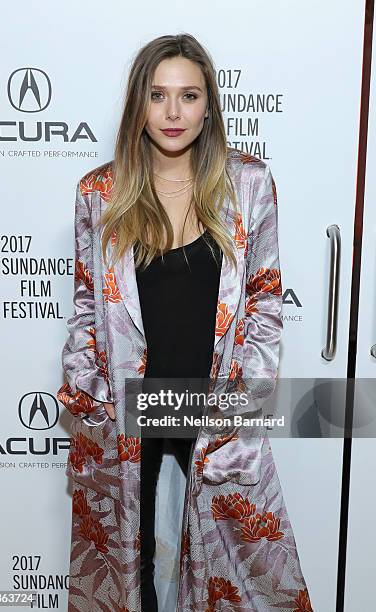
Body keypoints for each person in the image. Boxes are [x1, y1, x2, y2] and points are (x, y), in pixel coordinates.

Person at [58, 33, 313, 612]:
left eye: (189, 95)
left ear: (209, 104)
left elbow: (265, 305)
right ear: (137, 104)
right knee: (126, 567)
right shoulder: (99, 193)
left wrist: (241, 405)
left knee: (233, 567)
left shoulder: (248, 184)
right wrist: (88, 388)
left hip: (213, 406)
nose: (173, 113)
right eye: (157, 95)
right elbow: (84, 305)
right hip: (127, 406)